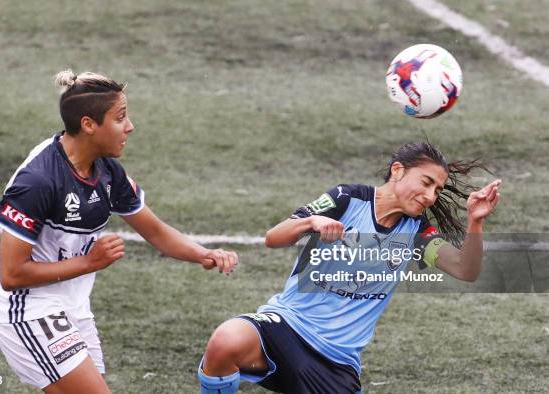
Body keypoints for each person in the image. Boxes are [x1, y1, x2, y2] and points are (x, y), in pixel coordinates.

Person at [0, 70, 238, 393]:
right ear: (89, 124)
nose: (130, 126)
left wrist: (204, 253)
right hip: (27, 308)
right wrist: (90, 263)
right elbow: (12, 274)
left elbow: (156, 231)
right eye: (120, 118)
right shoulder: (38, 181)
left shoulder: (106, 170)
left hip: (70, 304)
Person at [197, 142, 501, 394]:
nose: (431, 196)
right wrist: (311, 221)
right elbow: (273, 238)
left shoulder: (416, 231)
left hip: (335, 362)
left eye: (437, 189)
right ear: (398, 171)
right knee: (227, 340)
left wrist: (475, 221)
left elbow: (465, 270)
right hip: (288, 326)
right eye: (426, 182)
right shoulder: (346, 198)